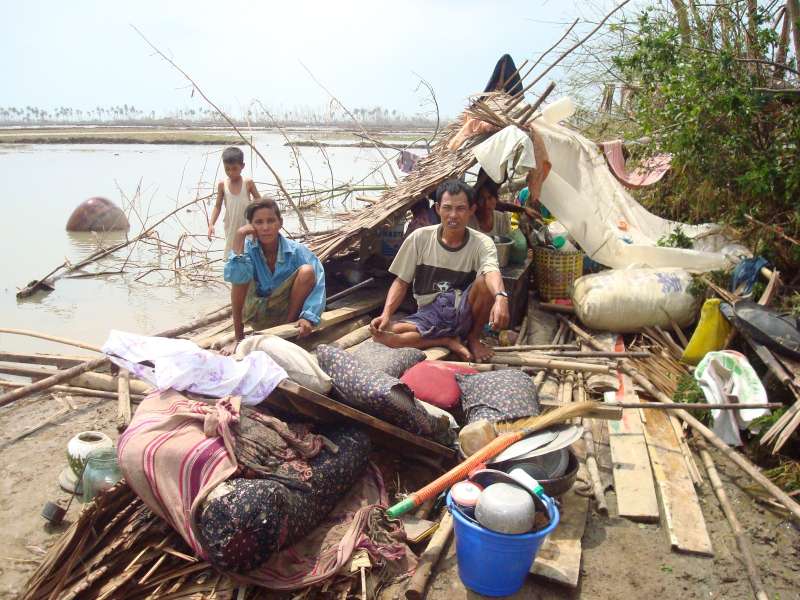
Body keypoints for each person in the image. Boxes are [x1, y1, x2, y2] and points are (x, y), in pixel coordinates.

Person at [370, 179, 510, 362]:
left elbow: (491, 271)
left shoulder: (482, 242)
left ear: (471, 210)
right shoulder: (419, 238)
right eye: (447, 208)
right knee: (381, 335)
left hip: (463, 311)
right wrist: (386, 314)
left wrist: (500, 297)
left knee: (485, 281)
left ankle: (473, 338)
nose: (453, 215)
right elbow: (401, 281)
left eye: (460, 209)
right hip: (430, 314)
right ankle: (445, 340)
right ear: (437, 209)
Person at [222, 199, 325, 354]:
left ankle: (287, 330)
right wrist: (240, 235)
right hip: (256, 313)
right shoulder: (248, 251)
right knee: (239, 272)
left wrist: (308, 316)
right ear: (251, 226)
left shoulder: (296, 251)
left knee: (307, 271)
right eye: (259, 222)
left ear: (280, 223)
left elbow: (319, 282)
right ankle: (239, 338)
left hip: (286, 313)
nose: (265, 227)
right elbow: (235, 276)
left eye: (271, 221)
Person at [208, 147, 262, 258]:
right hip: (231, 225)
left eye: (234, 169)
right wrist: (211, 224)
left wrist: (258, 221)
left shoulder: (248, 183)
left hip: (247, 224)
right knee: (232, 255)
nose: (230, 172)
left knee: (250, 253)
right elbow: (217, 206)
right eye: (227, 169)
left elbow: (260, 203)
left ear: (242, 166)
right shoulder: (222, 184)